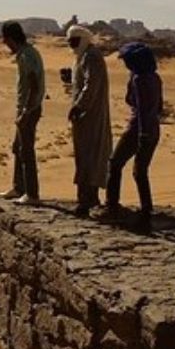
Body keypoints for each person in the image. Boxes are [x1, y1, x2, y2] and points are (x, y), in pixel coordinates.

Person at [104, 42, 163, 229]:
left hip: (138, 128)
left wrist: (142, 133)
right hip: (153, 128)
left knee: (115, 164)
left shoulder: (138, 79)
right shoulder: (155, 77)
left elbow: (138, 105)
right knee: (140, 172)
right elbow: (158, 107)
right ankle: (146, 210)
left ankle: (112, 207)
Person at [66, 25, 112, 216]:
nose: (71, 46)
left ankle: (88, 199)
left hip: (90, 116)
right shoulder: (83, 56)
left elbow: (91, 84)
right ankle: (85, 198)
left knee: (90, 155)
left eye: (74, 41)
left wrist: (79, 106)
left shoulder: (91, 56)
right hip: (84, 117)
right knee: (83, 155)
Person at [0, 21, 45, 206]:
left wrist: (26, 112)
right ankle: (18, 187)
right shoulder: (27, 53)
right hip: (27, 108)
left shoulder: (26, 55)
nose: (4, 43)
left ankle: (31, 194)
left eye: (5, 39)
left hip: (29, 109)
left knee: (26, 151)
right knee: (18, 148)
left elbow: (34, 85)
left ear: (10, 38)